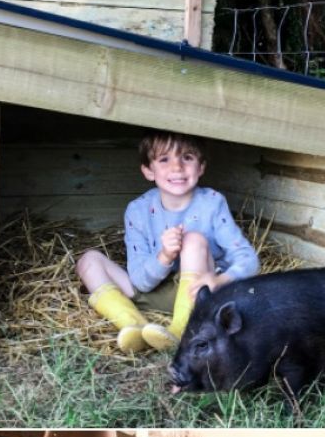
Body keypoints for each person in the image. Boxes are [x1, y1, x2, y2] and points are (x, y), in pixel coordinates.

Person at [76, 131, 260, 352]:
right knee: (88, 261)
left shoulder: (212, 203)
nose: (177, 167)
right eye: (164, 159)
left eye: (187, 157)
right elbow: (140, 281)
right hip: (153, 289)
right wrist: (164, 257)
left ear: (201, 167)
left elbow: (248, 260)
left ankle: (180, 331)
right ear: (148, 170)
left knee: (193, 240)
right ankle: (134, 326)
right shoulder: (138, 210)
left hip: (198, 292)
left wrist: (219, 281)